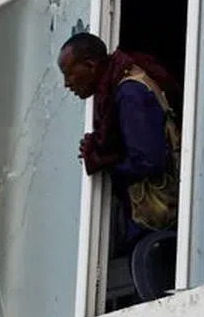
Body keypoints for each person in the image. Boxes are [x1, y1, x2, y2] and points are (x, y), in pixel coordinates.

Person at [57, 33, 181, 250]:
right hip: (146, 222)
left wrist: (104, 162)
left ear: (90, 65)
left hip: (155, 224)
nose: (67, 84)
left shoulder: (129, 93)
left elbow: (149, 160)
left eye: (69, 74)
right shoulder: (113, 92)